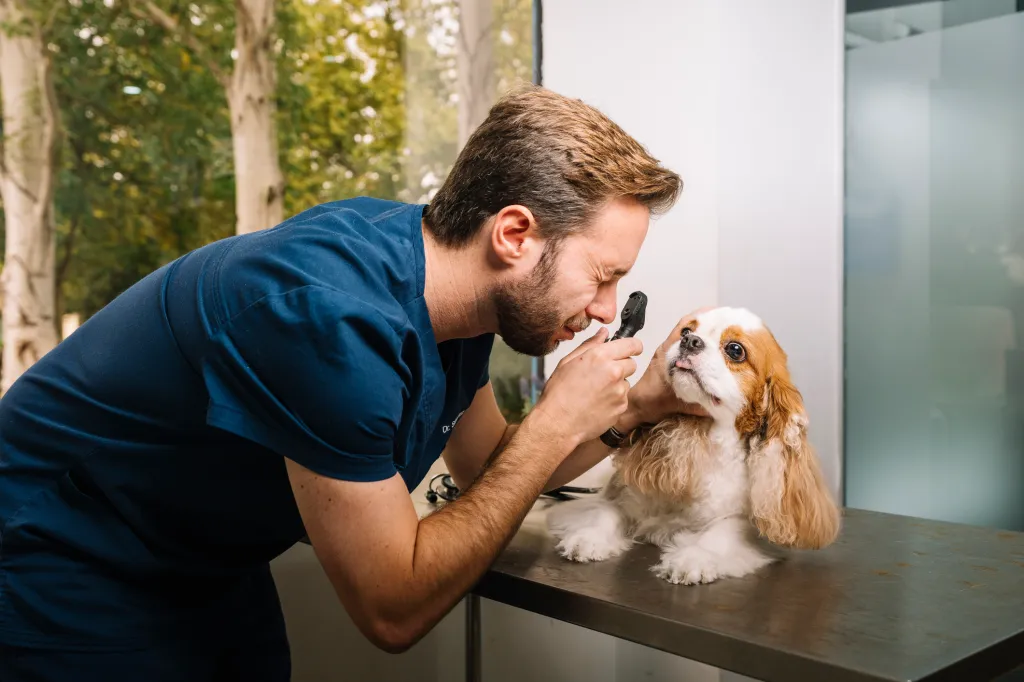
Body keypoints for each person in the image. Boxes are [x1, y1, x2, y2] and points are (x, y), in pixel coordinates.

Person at [0, 84, 702, 681]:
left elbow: (491, 462)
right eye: (604, 275)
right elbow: (393, 610)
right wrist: (552, 422)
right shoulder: (331, 318)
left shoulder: (447, 293)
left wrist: (637, 407)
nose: (608, 309)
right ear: (514, 235)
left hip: (202, 556)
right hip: (64, 553)